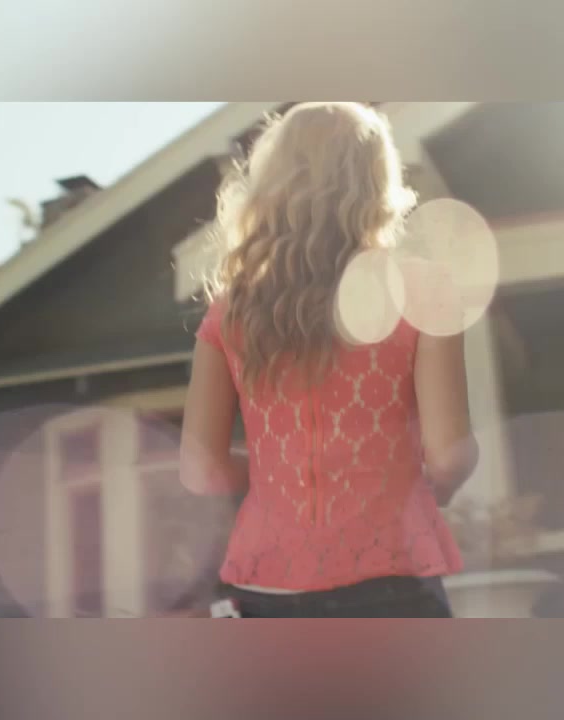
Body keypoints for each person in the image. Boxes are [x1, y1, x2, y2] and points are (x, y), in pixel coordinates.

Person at [179, 102, 478, 618]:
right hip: (391, 575)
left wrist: (275, 475)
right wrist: (433, 488)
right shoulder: (423, 289)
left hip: (266, 586)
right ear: (377, 182)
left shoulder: (231, 312)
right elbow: (449, 456)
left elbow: (201, 470)